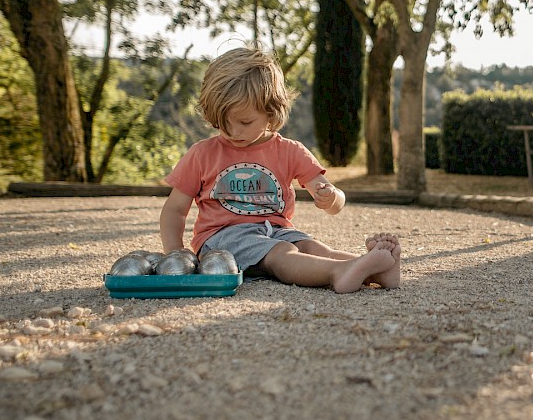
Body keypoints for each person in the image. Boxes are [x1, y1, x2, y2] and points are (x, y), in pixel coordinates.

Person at [159, 47, 400, 294]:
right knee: (282, 253)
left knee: (312, 247)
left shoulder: (289, 151)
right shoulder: (203, 153)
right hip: (223, 238)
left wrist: (330, 198)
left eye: (244, 122)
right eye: (223, 123)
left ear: (271, 111)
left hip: (276, 230)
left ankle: (379, 271)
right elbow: (175, 210)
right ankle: (337, 273)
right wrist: (175, 253)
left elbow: (335, 201)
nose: (233, 132)